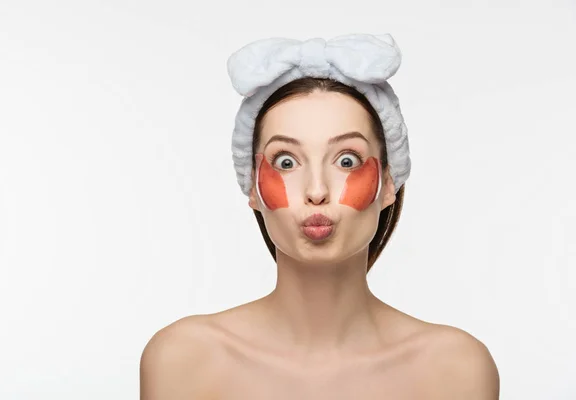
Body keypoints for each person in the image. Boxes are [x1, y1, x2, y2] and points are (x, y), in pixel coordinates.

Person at [140, 34, 500, 399]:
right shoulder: (184, 360)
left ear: (389, 183)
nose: (316, 190)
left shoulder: (455, 369)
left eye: (347, 161)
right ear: (252, 187)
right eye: (286, 162)